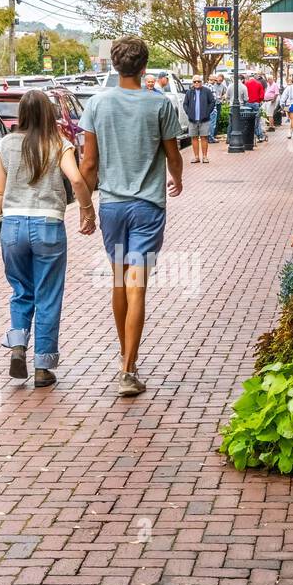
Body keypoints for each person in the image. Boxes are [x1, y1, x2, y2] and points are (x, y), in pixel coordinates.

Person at [80, 36, 183, 397]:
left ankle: (126, 359)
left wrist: (85, 206)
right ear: (144, 68)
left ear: (113, 65)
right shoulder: (160, 105)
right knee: (138, 285)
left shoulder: (96, 104)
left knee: (118, 281)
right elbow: (173, 155)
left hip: (111, 206)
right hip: (147, 207)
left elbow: (89, 163)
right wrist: (178, 178)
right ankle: (128, 368)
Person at [0, 89, 97, 388]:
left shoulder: (6, 144)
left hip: (13, 226)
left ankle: (19, 344)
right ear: (49, 113)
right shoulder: (59, 144)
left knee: (21, 291)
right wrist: (87, 210)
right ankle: (43, 367)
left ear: (22, 114)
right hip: (48, 224)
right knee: (48, 296)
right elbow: (75, 179)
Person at [184, 73, 216, 163]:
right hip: (192, 120)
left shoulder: (207, 91)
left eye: (198, 81)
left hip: (204, 119)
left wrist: (207, 112)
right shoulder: (189, 92)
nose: (197, 83)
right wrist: (189, 113)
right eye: (195, 81)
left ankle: (205, 157)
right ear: (192, 83)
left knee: (204, 137)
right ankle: (196, 157)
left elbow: (212, 102)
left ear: (201, 82)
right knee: (194, 138)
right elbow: (185, 104)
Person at [244, 72, 266, 142]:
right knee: (257, 121)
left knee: (248, 121)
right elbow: (262, 95)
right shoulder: (258, 84)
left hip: (248, 104)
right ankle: (259, 136)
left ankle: (249, 136)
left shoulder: (246, 84)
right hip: (256, 103)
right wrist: (259, 101)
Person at [206, 74, 222, 143]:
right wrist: (220, 97)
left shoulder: (204, 86)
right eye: (215, 80)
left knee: (206, 123)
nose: (215, 82)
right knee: (212, 124)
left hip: (205, 108)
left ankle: (207, 137)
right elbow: (214, 98)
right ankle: (211, 138)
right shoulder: (212, 87)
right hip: (212, 108)